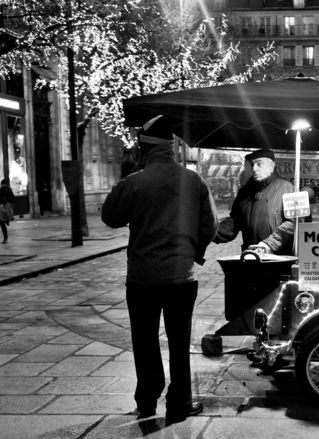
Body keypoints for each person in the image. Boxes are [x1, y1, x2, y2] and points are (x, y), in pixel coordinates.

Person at [101, 115, 218, 424]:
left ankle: (147, 399)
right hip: (181, 276)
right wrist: (195, 253)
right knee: (180, 342)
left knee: (144, 339)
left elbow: (110, 216)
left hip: (142, 278)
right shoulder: (194, 181)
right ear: (171, 148)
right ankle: (180, 402)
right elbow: (211, 225)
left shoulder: (135, 182)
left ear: (143, 148)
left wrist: (126, 176)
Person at [215, 148, 295, 255]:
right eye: (252, 165)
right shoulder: (245, 191)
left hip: (278, 259)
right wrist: (208, 231)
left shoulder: (287, 188)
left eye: (259, 164)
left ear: (272, 166)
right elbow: (234, 223)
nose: (254, 169)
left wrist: (268, 245)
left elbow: (293, 224)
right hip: (251, 257)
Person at [0, 178, 15, 243]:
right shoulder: (9, 189)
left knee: (1, 223)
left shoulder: (0, 190)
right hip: (8, 207)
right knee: (5, 218)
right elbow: (13, 198)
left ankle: (5, 238)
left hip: (2, 207)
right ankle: (7, 220)